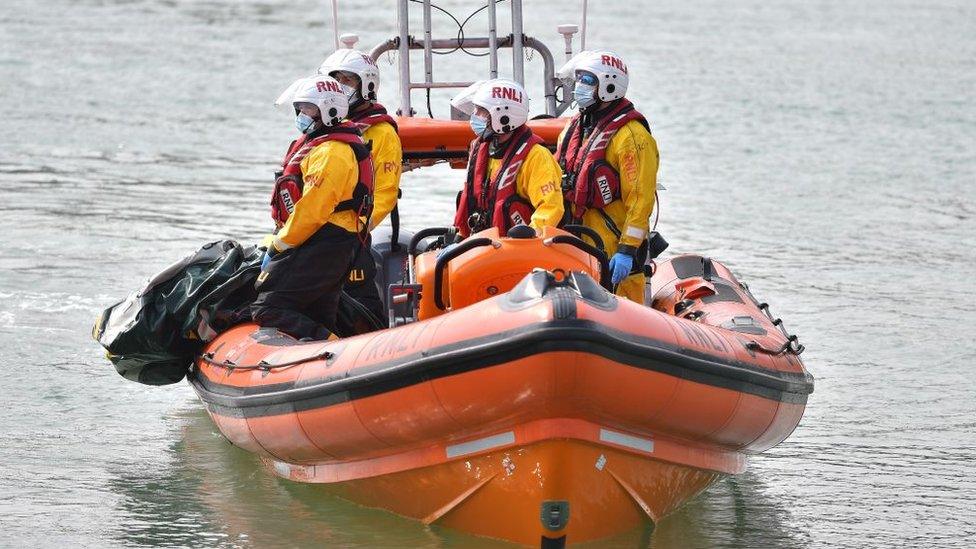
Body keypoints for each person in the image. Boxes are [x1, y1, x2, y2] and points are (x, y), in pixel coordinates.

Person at [254, 75, 375, 341]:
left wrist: (280, 244)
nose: (301, 115)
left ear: (329, 109)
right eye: (299, 109)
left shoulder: (330, 152)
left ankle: (331, 347)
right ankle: (329, 349)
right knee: (318, 312)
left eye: (308, 109)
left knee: (268, 308)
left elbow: (313, 209)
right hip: (334, 239)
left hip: (326, 239)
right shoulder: (328, 146)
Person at [555, 50, 659, 303]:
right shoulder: (574, 127)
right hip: (575, 242)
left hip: (612, 251)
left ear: (609, 85)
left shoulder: (631, 137)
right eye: (579, 79)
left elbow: (640, 201)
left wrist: (626, 249)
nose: (580, 86)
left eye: (588, 81)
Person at [317, 49, 402, 325]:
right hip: (316, 231)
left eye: (347, 80)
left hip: (351, 236)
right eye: (335, 80)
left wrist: (351, 228)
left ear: (366, 85)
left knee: (359, 305)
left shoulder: (383, 134)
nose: (340, 86)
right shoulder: (329, 127)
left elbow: (385, 195)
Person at [451, 79, 564, 237]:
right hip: (482, 243)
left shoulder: (536, 156)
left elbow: (551, 206)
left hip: (517, 249)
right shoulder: (480, 148)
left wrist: (529, 235)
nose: (475, 116)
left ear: (504, 116)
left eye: (481, 111)